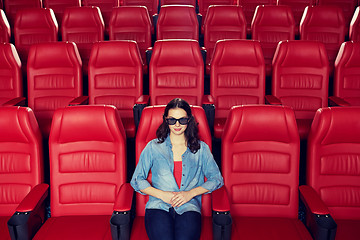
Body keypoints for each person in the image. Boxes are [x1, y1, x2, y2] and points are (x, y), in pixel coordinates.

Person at [130, 98, 224, 240]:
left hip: (189, 206)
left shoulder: (201, 148)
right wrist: (162, 195)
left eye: (182, 120)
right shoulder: (153, 147)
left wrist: (190, 194)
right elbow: (137, 179)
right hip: (158, 205)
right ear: (165, 120)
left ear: (189, 120)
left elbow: (216, 179)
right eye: (172, 120)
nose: (177, 124)